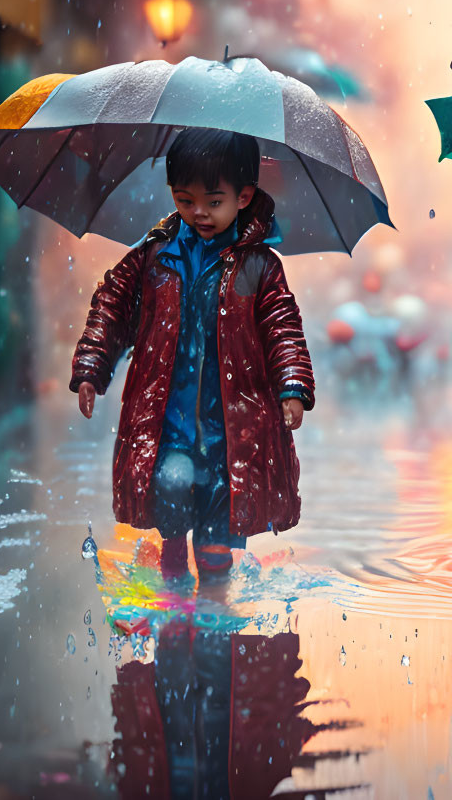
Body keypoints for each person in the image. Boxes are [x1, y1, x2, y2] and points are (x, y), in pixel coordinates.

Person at [71, 129, 314, 594]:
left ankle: (215, 587)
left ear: (244, 197)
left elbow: (283, 328)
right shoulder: (156, 255)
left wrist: (292, 386)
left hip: (232, 427)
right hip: (170, 419)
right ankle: (174, 560)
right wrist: (91, 366)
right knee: (172, 480)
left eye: (213, 201)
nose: (199, 213)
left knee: (222, 508)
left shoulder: (260, 267)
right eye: (185, 200)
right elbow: (112, 306)